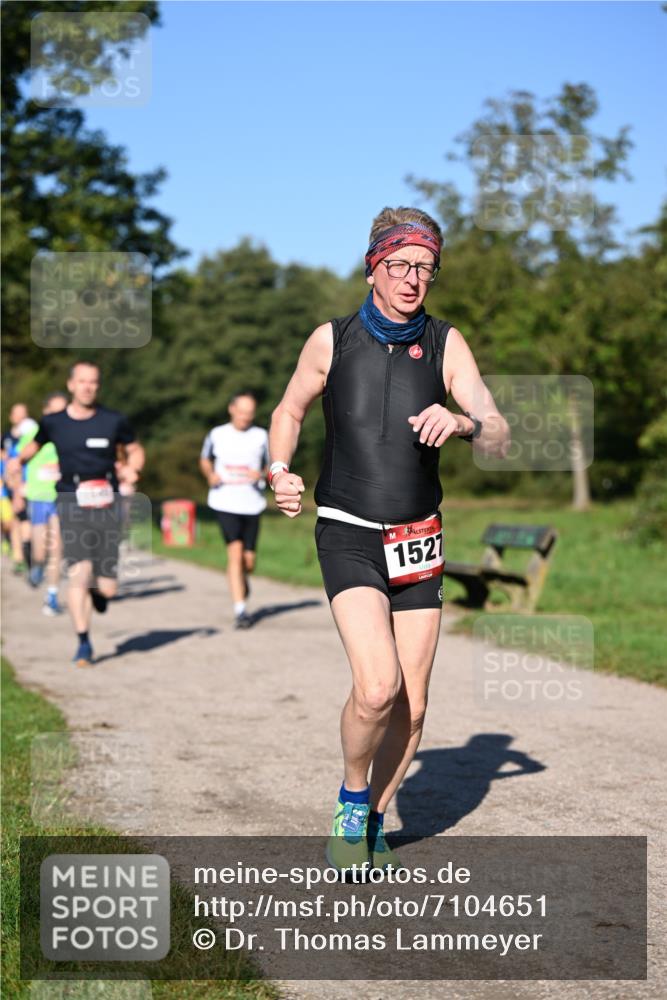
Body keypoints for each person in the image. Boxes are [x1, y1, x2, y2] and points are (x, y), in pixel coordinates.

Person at [269, 206, 510, 872]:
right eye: (400, 265)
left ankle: (375, 813)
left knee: (415, 698)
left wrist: (461, 421)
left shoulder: (444, 342)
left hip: (417, 536)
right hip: (347, 527)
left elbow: (496, 428)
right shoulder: (332, 338)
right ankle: (352, 797)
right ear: (373, 265)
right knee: (376, 688)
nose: (412, 279)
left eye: (425, 268)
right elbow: (288, 410)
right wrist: (279, 470)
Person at [12, 362, 145, 666]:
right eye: (82, 381)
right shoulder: (53, 421)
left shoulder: (113, 420)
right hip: (70, 499)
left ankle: (100, 592)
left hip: (106, 500)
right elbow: (34, 445)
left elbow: (135, 449)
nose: (87, 387)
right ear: (71, 385)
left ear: (98, 386)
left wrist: (133, 468)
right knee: (79, 572)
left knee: (107, 587)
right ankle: (83, 641)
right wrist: (17, 462)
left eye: (93, 382)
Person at [199, 392, 269, 629]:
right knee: (234, 552)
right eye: (241, 411)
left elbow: (273, 463)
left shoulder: (261, 436)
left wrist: (260, 474)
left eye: (250, 412)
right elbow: (205, 459)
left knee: (248, 560)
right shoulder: (217, 434)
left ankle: (243, 577)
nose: (245, 417)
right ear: (232, 409)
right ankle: (240, 610)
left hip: (252, 503)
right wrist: (210, 474)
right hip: (225, 501)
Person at [18, 391, 68, 615]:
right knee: (40, 550)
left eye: (63, 410)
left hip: (61, 496)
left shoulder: (71, 434)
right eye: (55, 411)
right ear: (46, 412)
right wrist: (18, 490)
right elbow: (14, 462)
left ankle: (52, 596)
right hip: (39, 498)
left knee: (57, 547)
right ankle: (37, 566)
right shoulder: (33, 436)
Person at [2, 403, 38, 574]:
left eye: (23, 414)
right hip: (12, 483)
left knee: (28, 520)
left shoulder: (33, 435)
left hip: (32, 483)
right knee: (16, 520)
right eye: (17, 414)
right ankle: (19, 557)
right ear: (11, 417)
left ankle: (29, 550)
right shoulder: (6, 437)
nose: (20, 417)